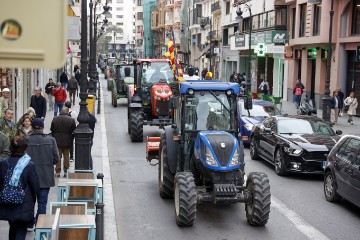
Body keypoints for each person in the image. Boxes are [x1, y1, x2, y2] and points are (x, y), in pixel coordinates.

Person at [0, 136, 40, 240]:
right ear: (25, 149)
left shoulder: (4, 164)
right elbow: (35, 186)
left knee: (12, 227)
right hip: (24, 203)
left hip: (7, 201)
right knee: (21, 229)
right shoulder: (29, 165)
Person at [27, 118, 59, 224]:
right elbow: (56, 159)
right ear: (42, 127)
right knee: (42, 203)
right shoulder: (50, 140)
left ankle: (30, 223)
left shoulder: (26, 140)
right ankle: (40, 224)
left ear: (31, 127)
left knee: (30, 202)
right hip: (45, 176)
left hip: (29, 177)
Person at [51, 107, 76, 177]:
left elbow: (52, 129)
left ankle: (58, 171)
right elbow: (74, 130)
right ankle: (66, 171)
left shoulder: (55, 119)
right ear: (67, 112)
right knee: (66, 156)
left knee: (58, 156)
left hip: (57, 140)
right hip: (67, 140)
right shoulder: (71, 120)